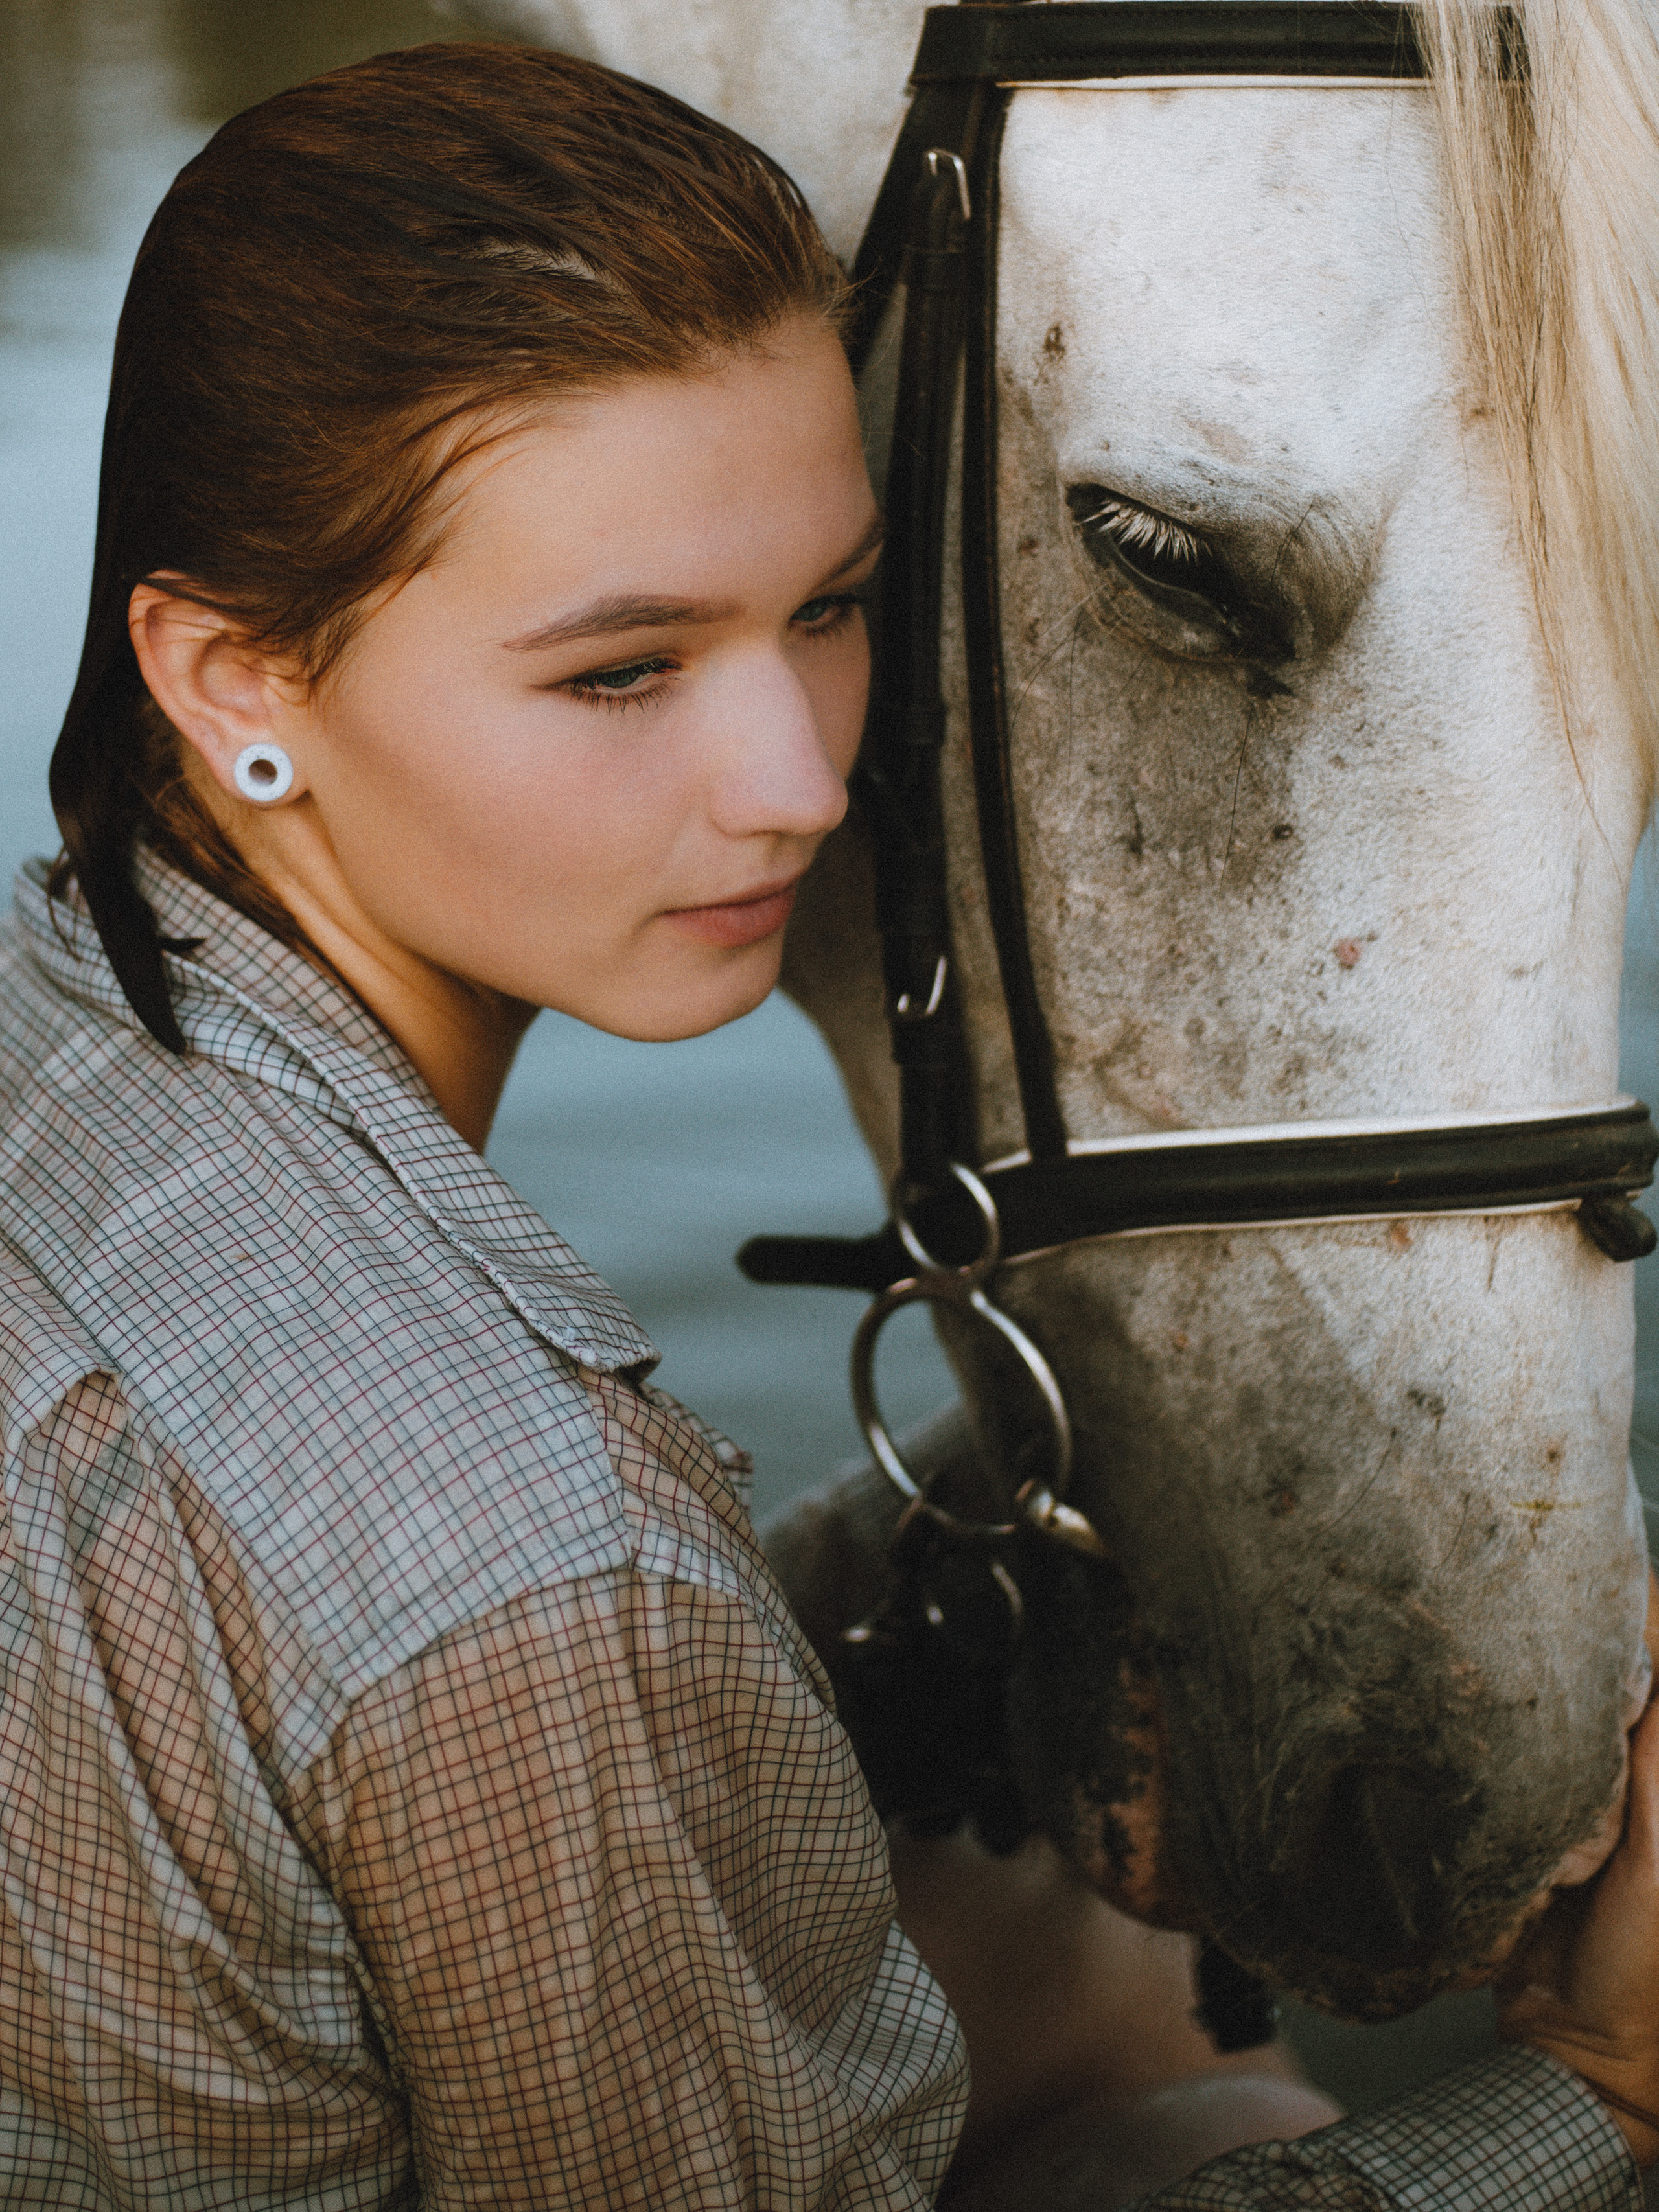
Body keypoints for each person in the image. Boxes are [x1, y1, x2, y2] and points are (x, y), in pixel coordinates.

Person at [0, 36, 1654, 2210]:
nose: (797, 778)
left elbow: (329, 1710)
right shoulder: (533, 1559)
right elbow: (496, 1628)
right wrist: (1604, 2099)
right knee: (1196, 2084)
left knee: (1051, 1966)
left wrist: (948, 1565)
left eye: (836, 607)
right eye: (622, 671)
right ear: (228, 677)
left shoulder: (69, 1070)